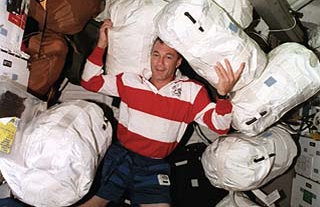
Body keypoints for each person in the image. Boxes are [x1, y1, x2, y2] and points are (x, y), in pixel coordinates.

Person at [80, 19, 245, 207]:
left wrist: (222, 96)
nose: (159, 63)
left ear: (178, 62)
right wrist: (102, 44)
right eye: (156, 55)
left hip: (154, 165)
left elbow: (221, 127)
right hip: (121, 155)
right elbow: (89, 82)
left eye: (168, 57)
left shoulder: (192, 91)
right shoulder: (130, 80)